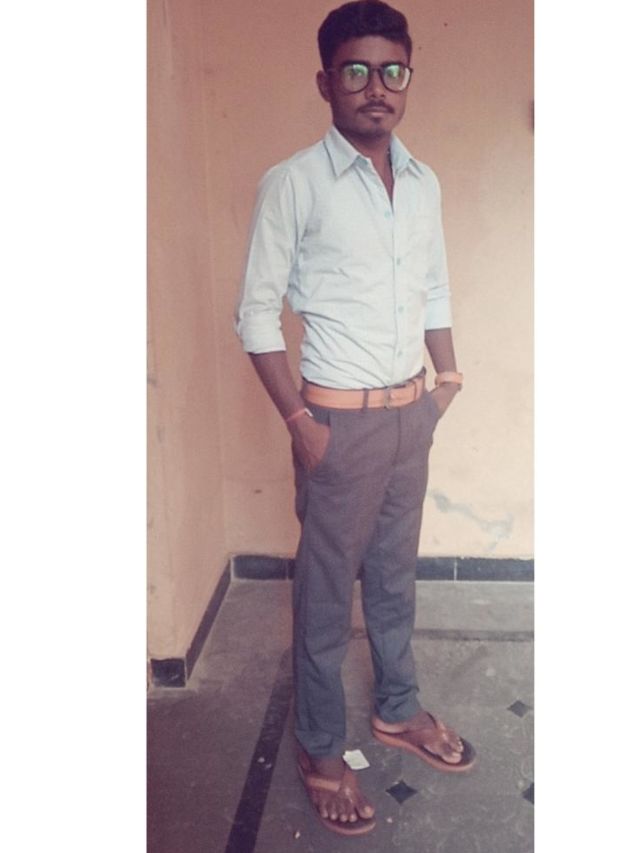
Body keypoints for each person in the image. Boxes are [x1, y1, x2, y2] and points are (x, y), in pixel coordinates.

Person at [235, 0, 475, 837]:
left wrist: (447, 381)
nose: (377, 87)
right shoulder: (295, 182)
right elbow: (255, 315)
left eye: (392, 70)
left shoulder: (423, 181)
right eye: (358, 71)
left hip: (413, 414)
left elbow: (434, 288)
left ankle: (398, 709)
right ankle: (319, 747)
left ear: (408, 78)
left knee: (396, 575)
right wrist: (300, 420)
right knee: (327, 594)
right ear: (326, 82)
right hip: (337, 428)